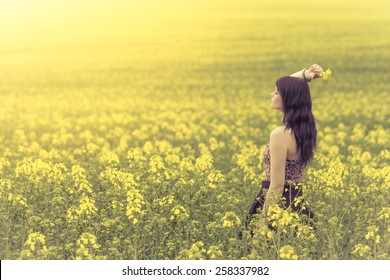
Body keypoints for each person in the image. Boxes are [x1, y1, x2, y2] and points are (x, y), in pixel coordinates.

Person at [244, 64, 323, 234]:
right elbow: (292, 87)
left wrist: (262, 225)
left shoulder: (280, 135)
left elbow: (277, 186)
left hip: (276, 204)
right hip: (296, 203)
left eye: (276, 92)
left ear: (288, 98)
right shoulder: (309, 127)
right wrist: (305, 75)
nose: (271, 94)